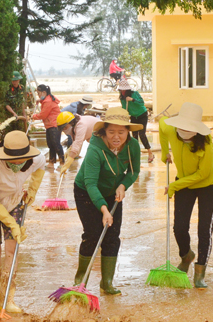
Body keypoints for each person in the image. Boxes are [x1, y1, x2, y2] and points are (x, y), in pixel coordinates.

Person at [0, 131, 45, 313]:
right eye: (12, 160)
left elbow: (41, 166)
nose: (17, 163)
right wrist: (13, 225)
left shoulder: (35, 158)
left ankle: (8, 297)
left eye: (21, 160)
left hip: (14, 201)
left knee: (12, 250)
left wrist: (33, 189)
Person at [72, 107, 141, 295]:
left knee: (112, 237)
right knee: (92, 234)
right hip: (86, 192)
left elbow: (134, 172)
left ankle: (107, 282)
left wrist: (123, 186)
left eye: (121, 132)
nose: (116, 136)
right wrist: (104, 210)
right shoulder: (95, 149)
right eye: (111, 132)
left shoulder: (132, 146)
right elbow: (91, 183)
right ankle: (80, 282)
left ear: (128, 131)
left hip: (114, 193)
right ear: (104, 131)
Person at [159, 103, 213, 289]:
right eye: (182, 127)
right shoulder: (169, 128)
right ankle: (186, 255)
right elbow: (161, 128)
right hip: (184, 180)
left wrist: (175, 185)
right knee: (179, 227)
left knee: (204, 229)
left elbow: (202, 174)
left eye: (190, 128)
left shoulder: (206, 140)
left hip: (208, 183)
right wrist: (164, 153)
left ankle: (200, 272)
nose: (185, 131)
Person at [118, 78, 154, 163]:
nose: (122, 91)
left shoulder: (135, 94)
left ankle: (150, 153)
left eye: (124, 90)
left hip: (142, 115)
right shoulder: (122, 98)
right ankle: (136, 154)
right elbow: (124, 108)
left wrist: (132, 100)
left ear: (127, 89)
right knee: (134, 136)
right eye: (121, 90)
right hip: (133, 117)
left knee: (142, 134)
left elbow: (141, 102)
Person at [31, 84, 63, 166]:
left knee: (56, 144)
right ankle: (52, 162)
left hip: (54, 125)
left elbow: (43, 115)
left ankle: (62, 162)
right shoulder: (47, 99)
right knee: (50, 144)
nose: (38, 95)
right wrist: (40, 100)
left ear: (44, 92)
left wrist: (33, 116)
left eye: (39, 93)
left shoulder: (48, 102)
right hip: (50, 125)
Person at [0, 71, 28, 135]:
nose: (14, 82)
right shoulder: (8, 89)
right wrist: (13, 113)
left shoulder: (22, 88)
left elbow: (22, 102)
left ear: (19, 80)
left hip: (20, 117)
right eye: (13, 81)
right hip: (10, 117)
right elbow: (6, 104)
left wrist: (24, 114)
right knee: (10, 135)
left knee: (20, 135)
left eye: (16, 80)